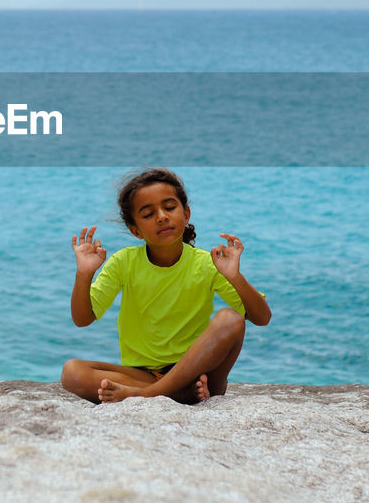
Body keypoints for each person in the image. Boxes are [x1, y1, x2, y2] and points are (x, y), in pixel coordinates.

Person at [60, 168, 271, 404]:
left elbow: (261, 317)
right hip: (141, 374)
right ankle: (174, 394)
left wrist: (235, 276)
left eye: (169, 207)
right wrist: (84, 274)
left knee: (231, 318)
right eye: (148, 214)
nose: (161, 217)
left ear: (186, 213)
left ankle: (148, 395)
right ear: (135, 230)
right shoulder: (124, 262)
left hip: (198, 373)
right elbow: (83, 318)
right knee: (72, 372)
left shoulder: (207, 263)